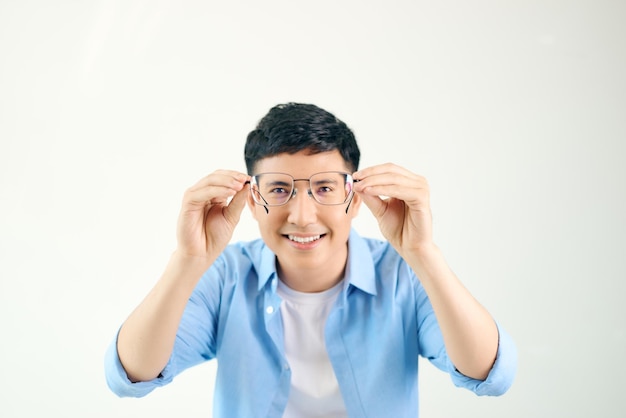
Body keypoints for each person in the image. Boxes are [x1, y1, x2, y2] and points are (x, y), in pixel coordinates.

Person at [104, 102, 517, 417]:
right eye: (280, 189)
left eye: (324, 188)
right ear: (253, 201)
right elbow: (132, 375)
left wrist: (424, 254)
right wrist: (188, 260)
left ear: (354, 199)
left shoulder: (402, 276)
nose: (302, 216)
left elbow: (488, 373)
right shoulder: (226, 275)